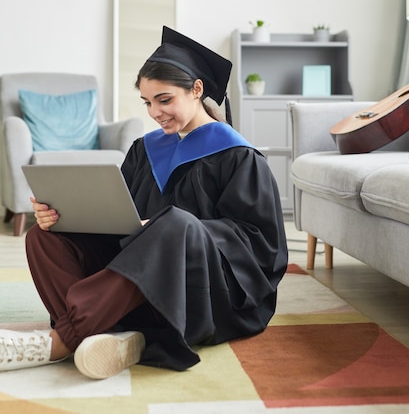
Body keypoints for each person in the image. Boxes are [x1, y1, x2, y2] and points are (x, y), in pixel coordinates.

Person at [0, 27, 288, 378]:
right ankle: (113, 337)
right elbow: (120, 221)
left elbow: (262, 246)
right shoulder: (144, 150)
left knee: (176, 223)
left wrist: (165, 229)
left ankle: (65, 339)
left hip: (203, 295)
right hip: (134, 292)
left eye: (164, 100)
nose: (155, 113)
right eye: (147, 102)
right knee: (42, 238)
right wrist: (62, 218)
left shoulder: (237, 156)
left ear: (197, 90)